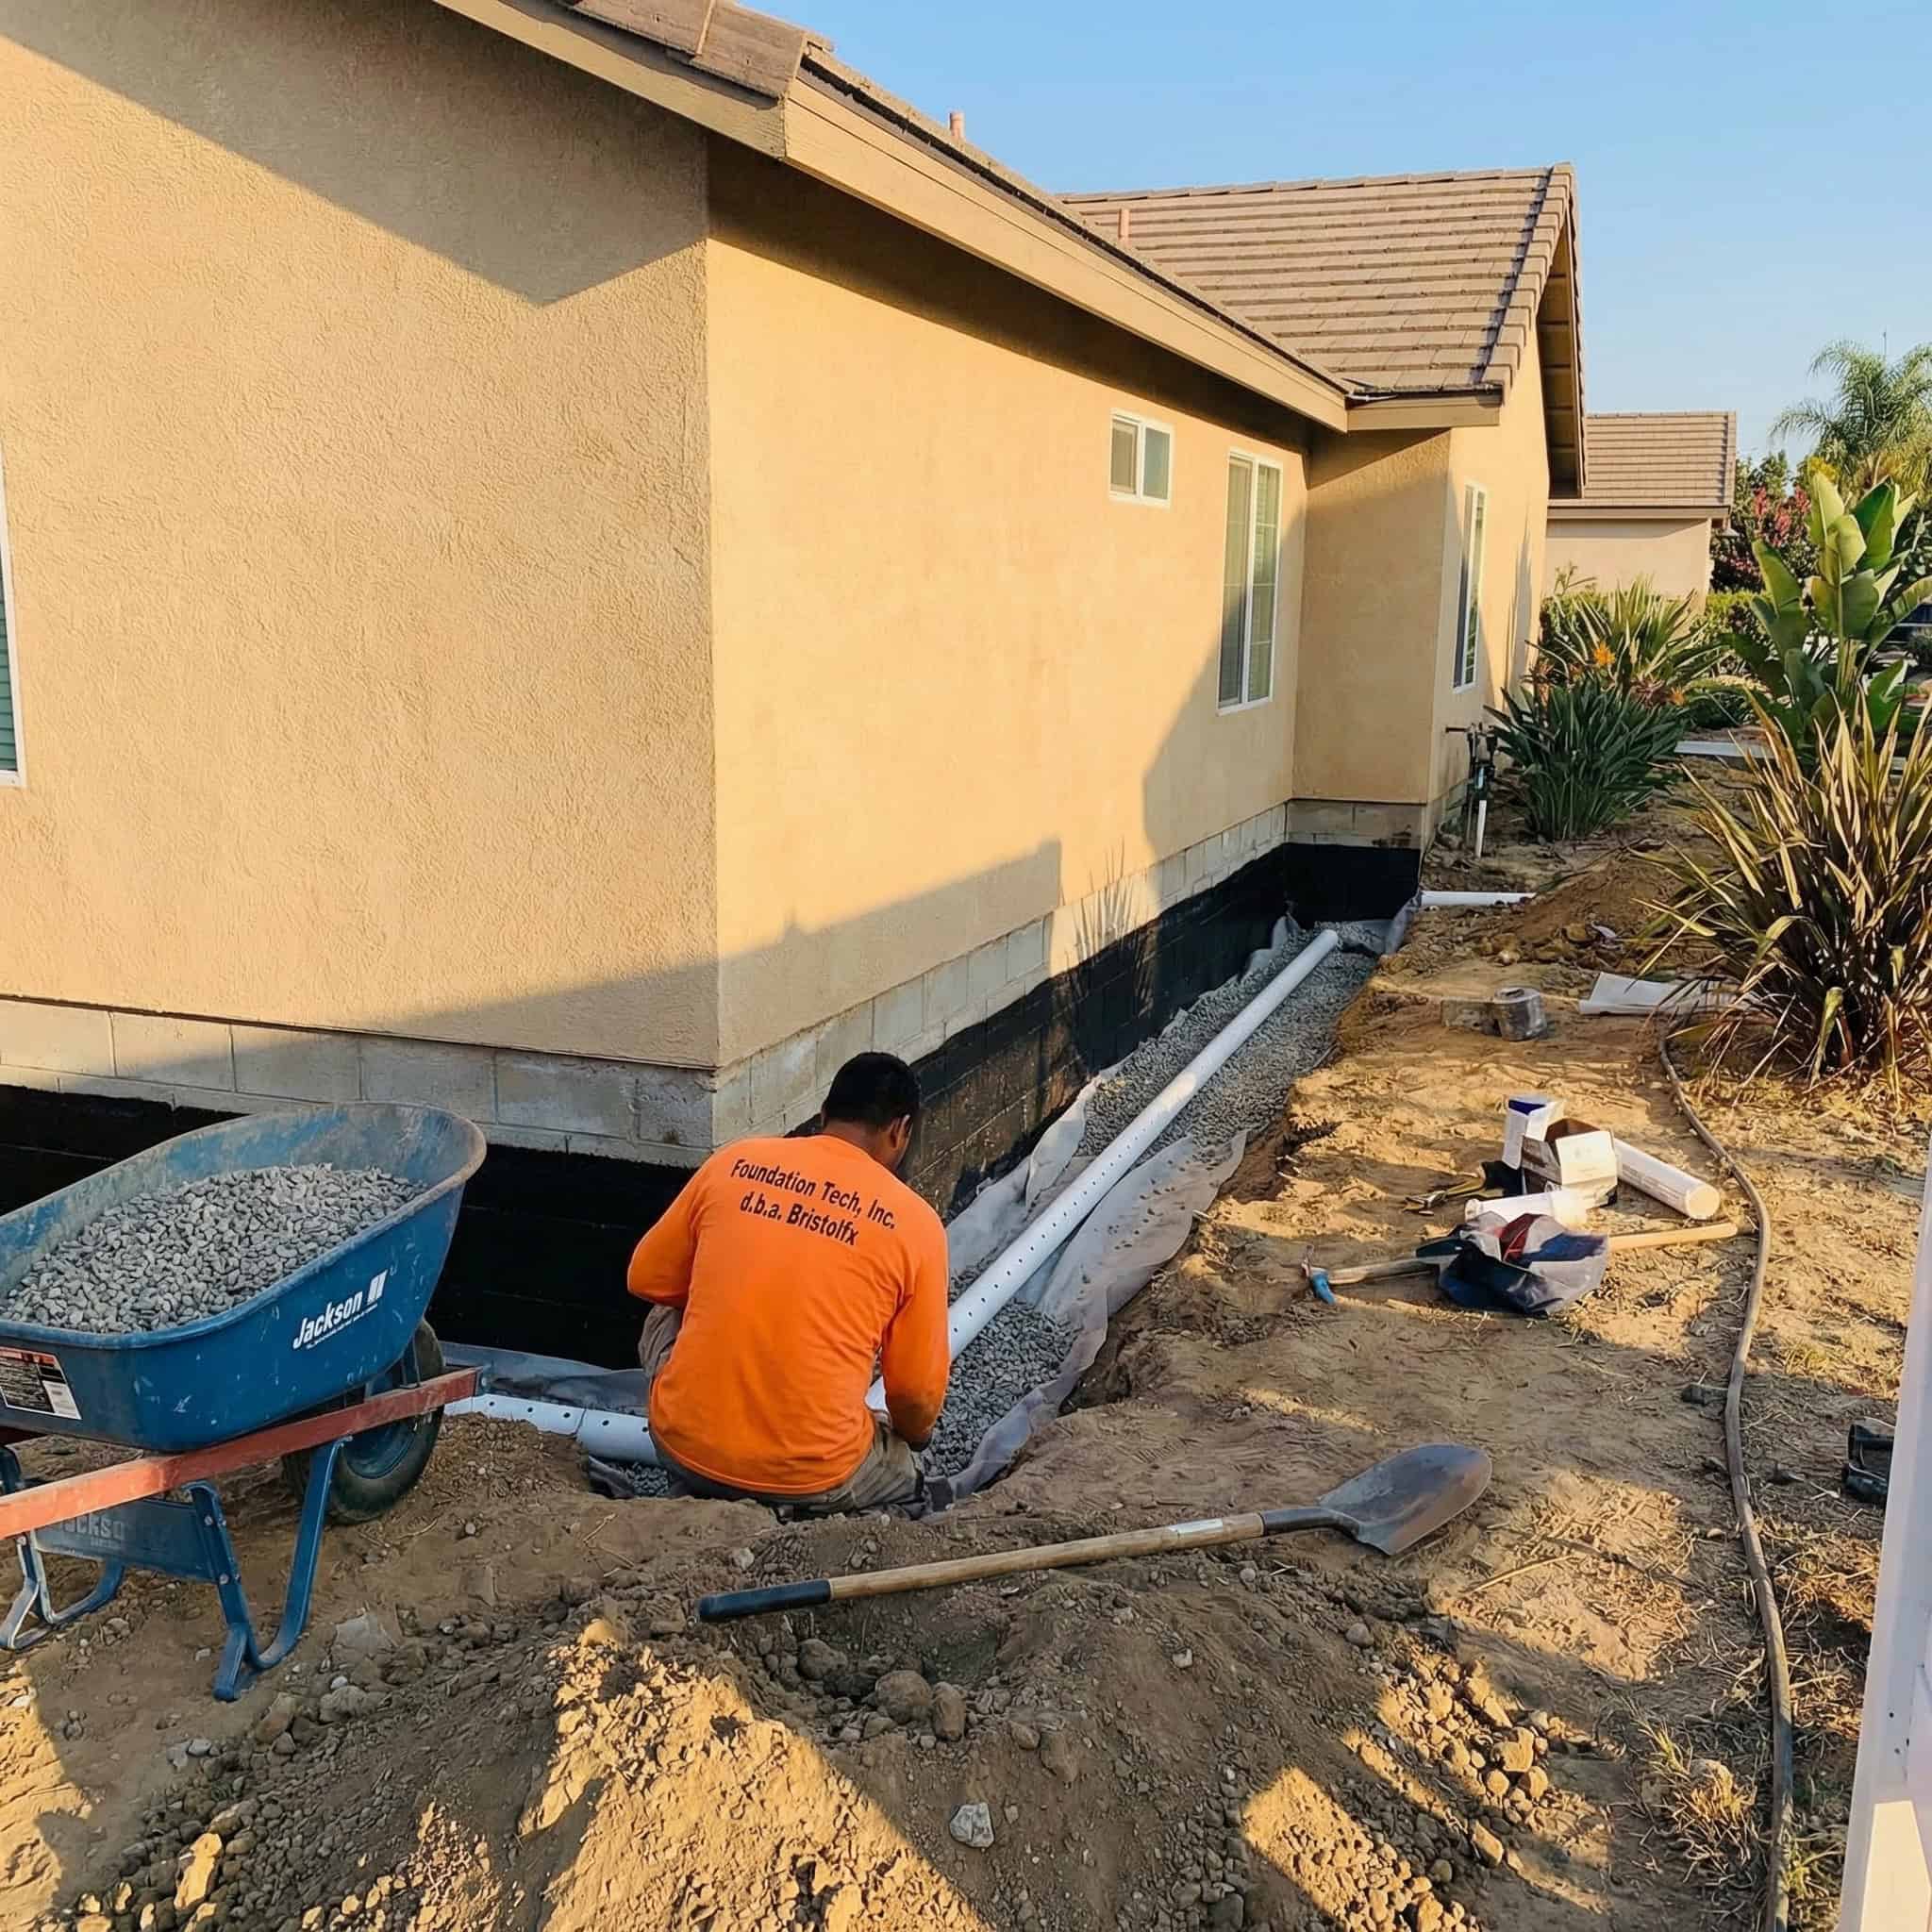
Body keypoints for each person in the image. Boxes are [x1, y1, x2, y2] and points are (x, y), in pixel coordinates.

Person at [626, 1051, 949, 1514]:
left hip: (682, 1449)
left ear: (824, 1114)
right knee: (907, 1468)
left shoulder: (735, 1161)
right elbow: (915, 1395)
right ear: (900, 1130)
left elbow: (645, 1277)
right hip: (814, 1475)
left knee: (665, 1310)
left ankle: (706, 1465)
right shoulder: (916, 1223)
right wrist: (912, 1439)